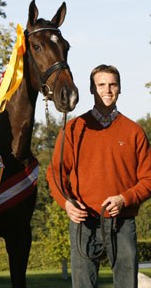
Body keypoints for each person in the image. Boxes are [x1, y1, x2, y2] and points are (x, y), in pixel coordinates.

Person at [46, 64, 151, 288]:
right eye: (101, 85)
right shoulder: (73, 129)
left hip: (122, 222)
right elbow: (56, 173)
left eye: (112, 84)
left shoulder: (134, 132)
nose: (107, 90)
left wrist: (124, 198)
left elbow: (148, 179)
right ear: (92, 89)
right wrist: (66, 203)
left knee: (126, 285)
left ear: (120, 88)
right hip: (84, 221)